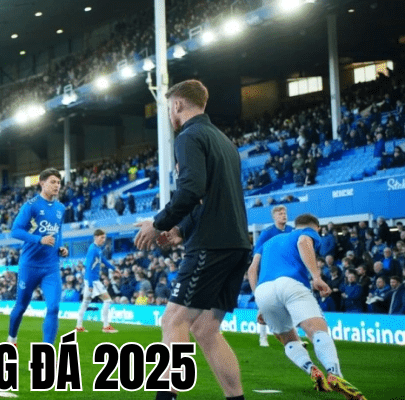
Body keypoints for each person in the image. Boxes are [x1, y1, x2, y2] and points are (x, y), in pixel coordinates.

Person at [134, 79, 251, 400]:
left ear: (177, 105)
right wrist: (181, 230)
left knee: (173, 320)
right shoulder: (224, 141)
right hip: (236, 244)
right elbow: (210, 196)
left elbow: (191, 189)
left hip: (211, 245)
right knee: (206, 329)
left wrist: (159, 224)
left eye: (168, 108)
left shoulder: (189, 136)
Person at [250, 213, 366, 399]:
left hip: (263, 290)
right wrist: (317, 277)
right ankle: (334, 373)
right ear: (317, 228)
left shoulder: (269, 242)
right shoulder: (307, 232)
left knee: (287, 339)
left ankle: (312, 369)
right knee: (316, 331)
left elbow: (252, 270)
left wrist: (260, 302)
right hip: (291, 283)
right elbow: (304, 242)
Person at [7, 168, 68, 345]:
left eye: (59, 182)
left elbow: (58, 232)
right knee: (21, 307)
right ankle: (12, 338)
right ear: (42, 183)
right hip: (30, 265)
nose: (57, 186)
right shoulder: (31, 205)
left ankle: (47, 350)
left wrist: (61, 247)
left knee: (54, 307)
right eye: (53, 182)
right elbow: (15, 231)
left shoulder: (60, 208)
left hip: (51, 267)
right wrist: (39, 239)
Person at [248, 205, 293, 347]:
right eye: (280, 214)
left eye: (284, 213)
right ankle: (263, 337)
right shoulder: (267, 233)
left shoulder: (291, 231)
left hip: (286, 272)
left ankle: (292, 338)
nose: (283, 215)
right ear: (274, 217)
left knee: (288, 305)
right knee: (265, 305)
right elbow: (257, 253)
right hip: (269, 272)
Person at [75, 229, 119, 333]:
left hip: (91, 280)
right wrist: (90, 284)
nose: (104, 240)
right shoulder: (93, 250)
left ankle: (79, 326)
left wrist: (113, 268)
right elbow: (88, 267)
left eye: (104, 238)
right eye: (102, 237)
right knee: (107, 300)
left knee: (85, 302)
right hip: (93, 281)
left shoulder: (97, 248)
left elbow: (103, 260)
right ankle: (106, 326)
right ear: (96, 237)